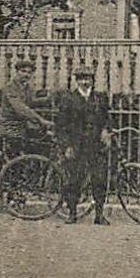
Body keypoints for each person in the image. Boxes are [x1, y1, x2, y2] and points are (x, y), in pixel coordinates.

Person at [54, 65, 112, 224]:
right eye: (81, 79)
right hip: (76, 145)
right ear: (77, 81)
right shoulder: (68, 99)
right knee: (74, 180)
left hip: (96, 145)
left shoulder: (100, 98)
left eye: (88, 78)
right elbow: (61, 126)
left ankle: (99, 215)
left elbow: (106, 118)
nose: (85, 82)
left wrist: (106, 131)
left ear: (92, 80)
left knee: (99, 179)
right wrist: (66, 146)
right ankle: (72, 213)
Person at [0, 58, 54, 161]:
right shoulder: (10, 87)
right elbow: (20, 108)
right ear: (17, 72)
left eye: (29, 72)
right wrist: (40, 120)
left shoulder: (28, 88)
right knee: (17, 156)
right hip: (10, 125)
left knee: (43, 141)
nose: (26, 75)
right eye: (23, 71)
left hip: (24, 125)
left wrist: (47, 100)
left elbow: (30, 102)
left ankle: (32, 167)